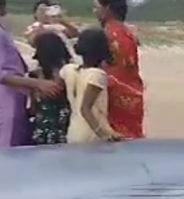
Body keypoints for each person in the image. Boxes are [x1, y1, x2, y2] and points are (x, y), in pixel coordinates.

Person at [0, 0, 61, 147]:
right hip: (6, 96)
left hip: (3, 94)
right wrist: (38, 83)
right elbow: (0, 74)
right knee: (10, 149)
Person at [94, 0, 145, 140]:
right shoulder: (126, 32)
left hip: (117, 97)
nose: (95, 11)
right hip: (132, 93)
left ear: (108, 9)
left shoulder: (110, 35)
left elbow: (114, 69)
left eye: (98, 8)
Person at [60, 28, 122, 143]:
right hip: (91, 134)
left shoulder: (69, 70)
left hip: (74, 131)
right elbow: (85, 109)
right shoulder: (97, 75)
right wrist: (103, 134)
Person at [29, 32, 71, 145]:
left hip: (46, 124)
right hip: (62, 123)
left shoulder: (37, 75)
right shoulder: (68, 70)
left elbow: (51, 93)